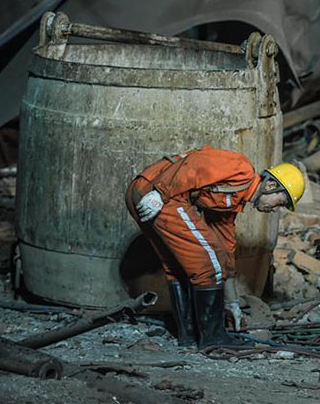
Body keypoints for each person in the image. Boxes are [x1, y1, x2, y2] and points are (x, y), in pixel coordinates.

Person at [124, 146, 305, 348]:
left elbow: (224, 245)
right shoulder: (241, 169)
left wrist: (233, 302)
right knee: (207, 266)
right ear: (271, 185)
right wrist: (161, 192)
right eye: (281, 202)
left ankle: (189, 335)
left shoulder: (235, 198)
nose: (275, 209)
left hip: (143, 192)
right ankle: (213, 339)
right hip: (157, 194)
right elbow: (195, 164)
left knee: (178, 266)